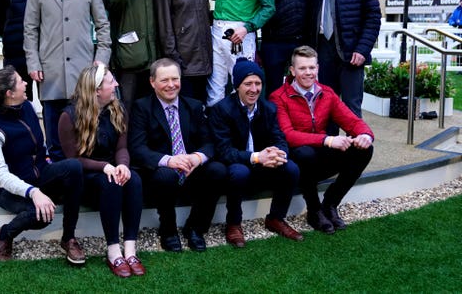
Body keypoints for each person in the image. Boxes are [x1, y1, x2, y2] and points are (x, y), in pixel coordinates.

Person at [0, 66, 86, 264]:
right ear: (10, 94)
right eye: (21, 81)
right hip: (8, 190)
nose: (25, 83)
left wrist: (47, 162)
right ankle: (6, 234)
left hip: (39, 175)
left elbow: (39, 145)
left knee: (74, 167)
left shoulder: (28, 107)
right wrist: (33, 192)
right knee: (41, 215)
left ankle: (69, 238)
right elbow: (0, 176)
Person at [270, 45, 374, 234]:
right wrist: (327, 140)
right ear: (292, 71)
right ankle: (314, 211)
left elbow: (351, 120)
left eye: (311, 67)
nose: (308, 73)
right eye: (302, 68)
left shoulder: (327, 93)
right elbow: (288, 135)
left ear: (318, 68)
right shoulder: (279, 97)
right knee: (304, 153)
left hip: (320, 157)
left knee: (365, 149)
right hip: (295, 162)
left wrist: (365, 135)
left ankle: (331, 203)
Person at [24, 0, 111, 162]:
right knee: (53, 134)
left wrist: (101, 59)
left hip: (83, 73)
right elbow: (30, 29)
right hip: (50, 72)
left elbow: (102, 25)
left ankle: (82, 174)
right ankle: (58, 174)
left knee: (83, 131)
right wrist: (33, 64)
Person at [129, 58, 226, 253]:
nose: (171, 85)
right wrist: (169, 160)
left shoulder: (194, 106)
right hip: (160, 173)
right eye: (164, 80)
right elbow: (137, 148)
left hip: (191, 169)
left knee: (218, 170)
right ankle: (168, 230)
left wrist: (197, 157)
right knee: (167, 174)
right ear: (152, 82)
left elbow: (209, 142)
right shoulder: (141, 107)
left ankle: (196, 228)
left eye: (175, 79)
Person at [59, 64, 145, 278]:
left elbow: (122, 147)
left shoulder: (118, 108)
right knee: (111, 182)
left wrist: (123, 165)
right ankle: (113, 251)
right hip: (86, 176)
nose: (116, 84)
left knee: (133, 179)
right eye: (111, 82)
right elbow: (73, 160)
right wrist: (105, 167)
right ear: (97, 89)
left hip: (112, 168)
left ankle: (131, 250)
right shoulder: (69, 116)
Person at [209, 58, 303, 248]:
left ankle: (276, 218)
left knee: (291, 168)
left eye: (258, 83)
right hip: (237, 164)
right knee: (239, 172)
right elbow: (223, 151)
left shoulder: (268, 108)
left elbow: (279, 138)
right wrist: (258, 157)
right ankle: (234, 223)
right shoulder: (221, 110)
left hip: (263, 164)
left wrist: (278, 154)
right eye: (248, 84)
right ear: (237, 86)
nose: (254, 89)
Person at [307, 0, 381, 118]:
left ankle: (357, 147)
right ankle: (330, 146)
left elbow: (373, 16)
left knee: (351, 108)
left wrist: (362, 49)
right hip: (322, 50)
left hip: (351, 51)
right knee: (325, 106)